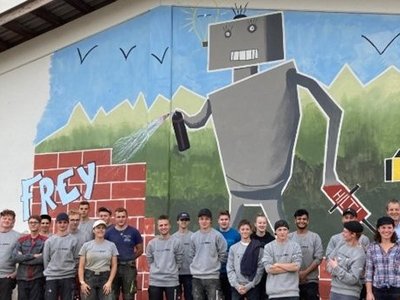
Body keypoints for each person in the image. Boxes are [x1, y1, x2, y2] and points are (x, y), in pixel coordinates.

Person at [105, 207, 143, 300]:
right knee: (112, 296)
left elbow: (140, 249)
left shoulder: (134, 232)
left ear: (127, 217)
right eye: (118, 217)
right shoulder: (109, 232)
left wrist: (130, 258)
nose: (121, 219)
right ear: (115, 217)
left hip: (129, 268)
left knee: (129, 296)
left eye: (123, 217)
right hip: (113, 267)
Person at [190, 208, 227, 300]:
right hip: (197, 277)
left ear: (211, 220)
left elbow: (223, 254)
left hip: (213, 277)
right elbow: (191, 255)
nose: (204, 221)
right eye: (201, 219)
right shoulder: (194, 237)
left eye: (206, 219)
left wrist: (214, 264)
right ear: (198, 221)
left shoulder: (217, 236)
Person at [78, 220, 118, 300]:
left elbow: (114, 265)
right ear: (93, 230)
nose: (100, 230)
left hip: (105, 277)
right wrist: (82, 282)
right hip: (89, 277)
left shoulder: (111, 245)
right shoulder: (86, 245)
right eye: (98, 228)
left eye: (103, 228)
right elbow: (81, 266)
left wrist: (109, 282)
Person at [262, 219, 302, 300]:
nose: (282, 232)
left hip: (292, 292)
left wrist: (278, 264)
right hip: (274, 293)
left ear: (288, 231)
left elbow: (296, 267)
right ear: (275, 232)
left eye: (285, 229)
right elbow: (269, 269)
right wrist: (289, 267)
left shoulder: (295, 246)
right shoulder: (268, 247)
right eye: (279, 230)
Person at [288, 209, 323, 300]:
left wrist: (304, 273)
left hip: (311, 281)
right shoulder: (289, 237)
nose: (301, 221)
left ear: (308, 221)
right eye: (299, 219)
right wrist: (297, 274)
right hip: (292, 281)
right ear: (295, 220)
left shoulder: (315, 237)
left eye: (304, 219)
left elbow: (318, 258)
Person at [43, 212, 79, 300]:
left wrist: (71, 270)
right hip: (52, 276)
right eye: (60, 222)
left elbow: (76, 259)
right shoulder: (50, 241)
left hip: (68, 276)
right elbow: (46, 260)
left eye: (64, 222)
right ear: (56, 224)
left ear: (68, 223)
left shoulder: (74, 240)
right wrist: (51, 271)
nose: (62, 225)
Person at [146, 215, 183, 300]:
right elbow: (149, 261)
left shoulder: (176, 242)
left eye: (166, 225)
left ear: (170, 226)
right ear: (157, 227)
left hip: (172, 282)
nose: (163, 227)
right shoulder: (152, 243)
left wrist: (171, 270)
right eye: (161, 225)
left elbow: (179, 261)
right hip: (155, 282)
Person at [327, 221, 366, 300]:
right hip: (334, 290)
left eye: (345, 232)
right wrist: (341, 268)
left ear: (353, 234)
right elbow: (329, 264)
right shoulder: (341, 244)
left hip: (349, 294)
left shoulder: (359, 254)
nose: (342, 234)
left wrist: (337, 267)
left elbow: (353, 279)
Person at [12, 215, 47, 300]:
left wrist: (23, 258)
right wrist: (33, 256)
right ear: (28, 224)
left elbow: (43, 259)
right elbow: (15, 258)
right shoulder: (21, 240)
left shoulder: (45, 240)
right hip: (22, 278)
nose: (33, 225)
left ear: (39, 225)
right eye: (31, 222)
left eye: (35, 222)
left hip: (37, 278)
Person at [227, 219, 264, 300]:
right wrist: (237, 285)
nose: (245, 231)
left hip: (252, 287)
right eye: (242, 229)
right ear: (239, 231)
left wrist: (249, 285)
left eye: (247, 229)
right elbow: (230, 268)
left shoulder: (258, 247)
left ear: (251, 231)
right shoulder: (233, 248)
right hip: (237, 287)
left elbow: (260, 268)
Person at [365, 216, 400, 300]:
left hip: (397, 291)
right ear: (378, 229)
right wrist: (369, 293)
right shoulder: (372, 247)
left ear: (393, 228)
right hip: (378, 291)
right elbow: (369, 272)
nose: (386, 231)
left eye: (389, 227)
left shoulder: (398, 247)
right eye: (383, 227)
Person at [217, 210, 241, 300]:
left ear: (229, 220)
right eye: (222, 219)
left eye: (226, 219)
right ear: (218, 221)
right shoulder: (214, 233)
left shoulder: (236, 235)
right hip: (216, 273)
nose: (224, 221)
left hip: (231, 273)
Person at [251, 213, 275, 300]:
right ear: (255, 224)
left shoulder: (272, 240)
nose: (262, 225)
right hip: (253, 277)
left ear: (267, 224)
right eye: (260, 223)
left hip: (267, 277)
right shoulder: (250, 238)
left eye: (264, 223)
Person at [69, 209, 91, 300]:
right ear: (68, 220)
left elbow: (89, 252)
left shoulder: (85, 235)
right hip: (68, 269)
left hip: (82, 269)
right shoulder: (64, 234)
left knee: (83, 295)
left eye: (77, 220)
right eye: (72, 220)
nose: (75, 222)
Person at [172, 212, 193, 300]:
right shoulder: (172, 237)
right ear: (177, 221)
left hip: (190, 273)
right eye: (182, 220)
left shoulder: (194, 236)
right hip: (176, 274)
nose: (184, 222)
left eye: (186, 220)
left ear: (189, 222)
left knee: (190, 297)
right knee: (177, 297)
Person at [0, 209, 20, 300]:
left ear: (13, 222)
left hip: (7, 277)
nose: (6, 220)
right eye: (4, 218)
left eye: (9, 219)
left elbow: (22, 258)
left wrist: (16, 273)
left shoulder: (18, 237)